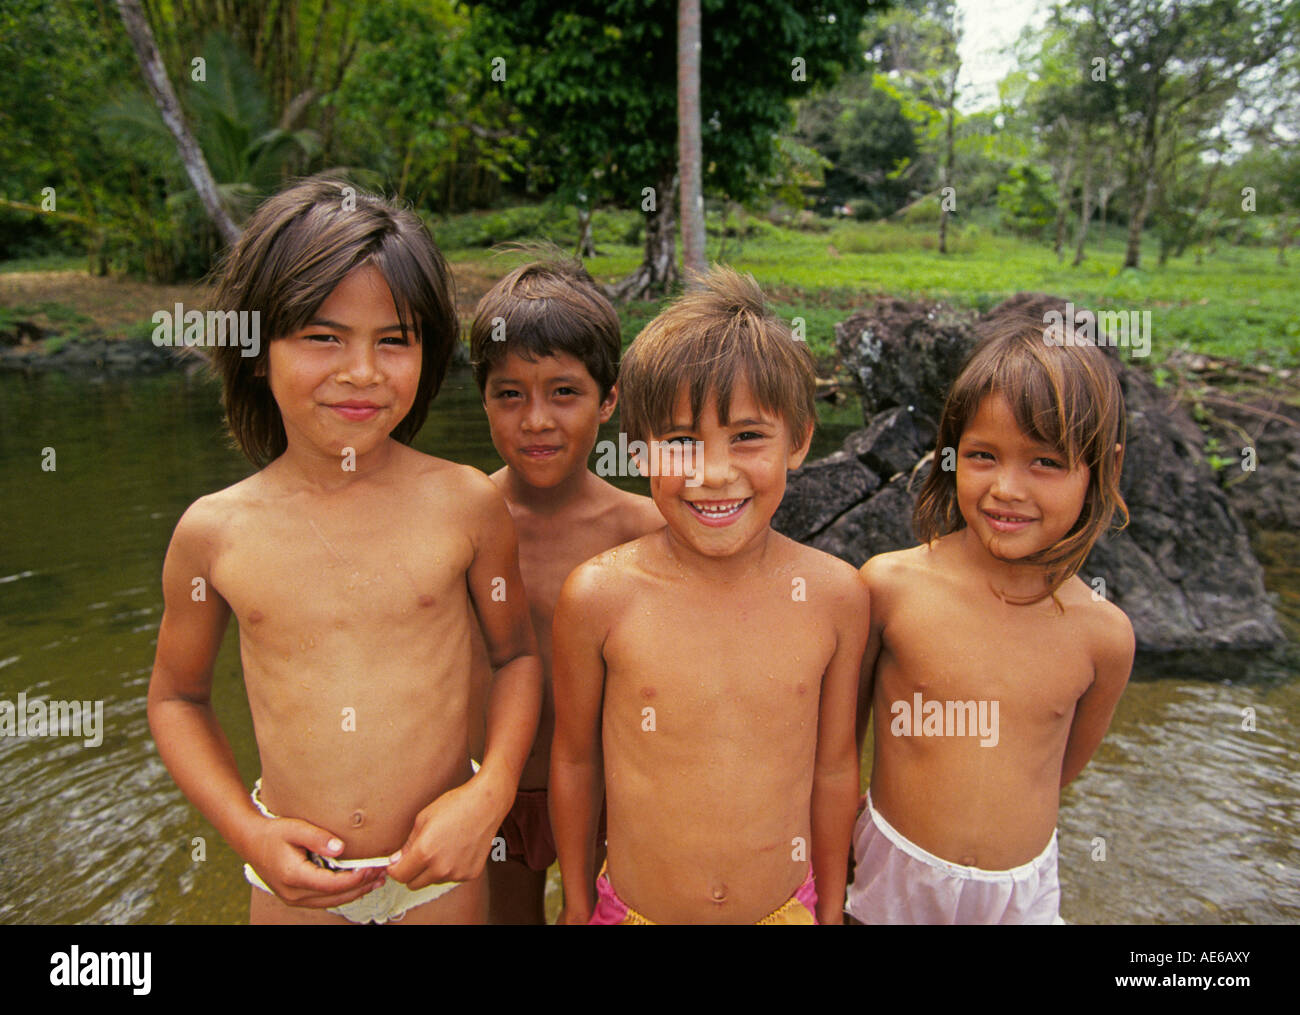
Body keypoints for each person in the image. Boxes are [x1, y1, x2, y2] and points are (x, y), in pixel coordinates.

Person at [147, 178, 541, 925]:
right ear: (257, 349)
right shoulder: (215, 532)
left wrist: (489, 793)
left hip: (438, 869)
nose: (361, 371)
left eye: (393, 339)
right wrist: (248, 832)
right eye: (323, 337)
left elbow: (515, 655)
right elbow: (176, 697)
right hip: (295, 881)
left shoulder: (466, 504)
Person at [550, 266, 869, 924]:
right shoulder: (600, 597)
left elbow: (835, 771)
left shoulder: (836, 596)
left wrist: (832, 909)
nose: (714, 473)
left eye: (748, 437)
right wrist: (578, 907)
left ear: (801, 440)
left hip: (785, 909)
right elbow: (577, 762)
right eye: (680, 441)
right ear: (638, 451)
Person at [846, 311, 1134, 924]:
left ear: (1102, 466)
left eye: (1046, 462)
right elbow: (838, 750)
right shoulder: (889, 588)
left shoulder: (1104, 637)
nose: (1006, 487)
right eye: (983, 455)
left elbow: (1057, 769)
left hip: (1021, 894)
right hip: (894, 872)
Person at [469, 255, 663, 924]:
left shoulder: (647, 529)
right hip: (499, 792)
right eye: (510, 393)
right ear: (484, 399)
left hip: (614, 791)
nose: (536, 420)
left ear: (609, 399)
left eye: (563, 391)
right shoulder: (459, 524)